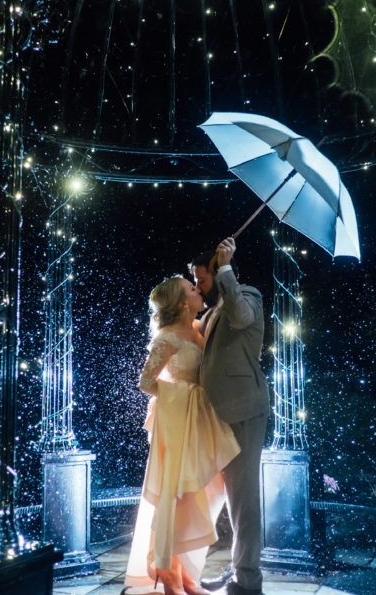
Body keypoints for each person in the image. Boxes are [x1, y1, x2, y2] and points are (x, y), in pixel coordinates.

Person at [123, 276, 241, 595]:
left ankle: (187, 574)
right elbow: (146, 382)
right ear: (180, 302)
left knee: (199, 493)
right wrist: (185, 393)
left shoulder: (199, 330)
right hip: (178, 425)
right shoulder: (167, 337)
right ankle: (170, 573)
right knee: (175, 495)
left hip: (201, 421)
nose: (198, 289)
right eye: (191, 288)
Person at [192, 237, 268, 595]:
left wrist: (225, 267)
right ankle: (201, 567)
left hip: (242, 413)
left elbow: (242, 316)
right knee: (205, 496)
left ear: (216, 274)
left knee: (243, 499)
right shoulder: (209, 312)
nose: (197, 286)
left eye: (201, 280)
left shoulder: (247, 295)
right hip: (210, 417)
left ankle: (247, 580)